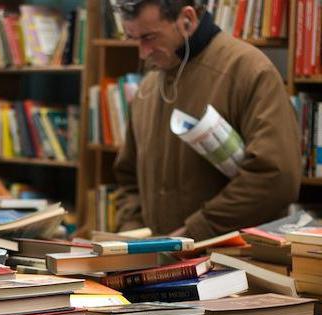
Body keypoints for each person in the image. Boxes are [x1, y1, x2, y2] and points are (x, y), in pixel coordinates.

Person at [113, 0, 301, 240]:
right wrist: (132, 236)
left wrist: (197, 231)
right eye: (133, 38)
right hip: (157, 263)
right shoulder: (148, 87)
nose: (142, 52)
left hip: (233, 265)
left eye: (149, 37)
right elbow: (128, 179)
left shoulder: (249, 72)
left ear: (187, 19)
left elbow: (275, 178)